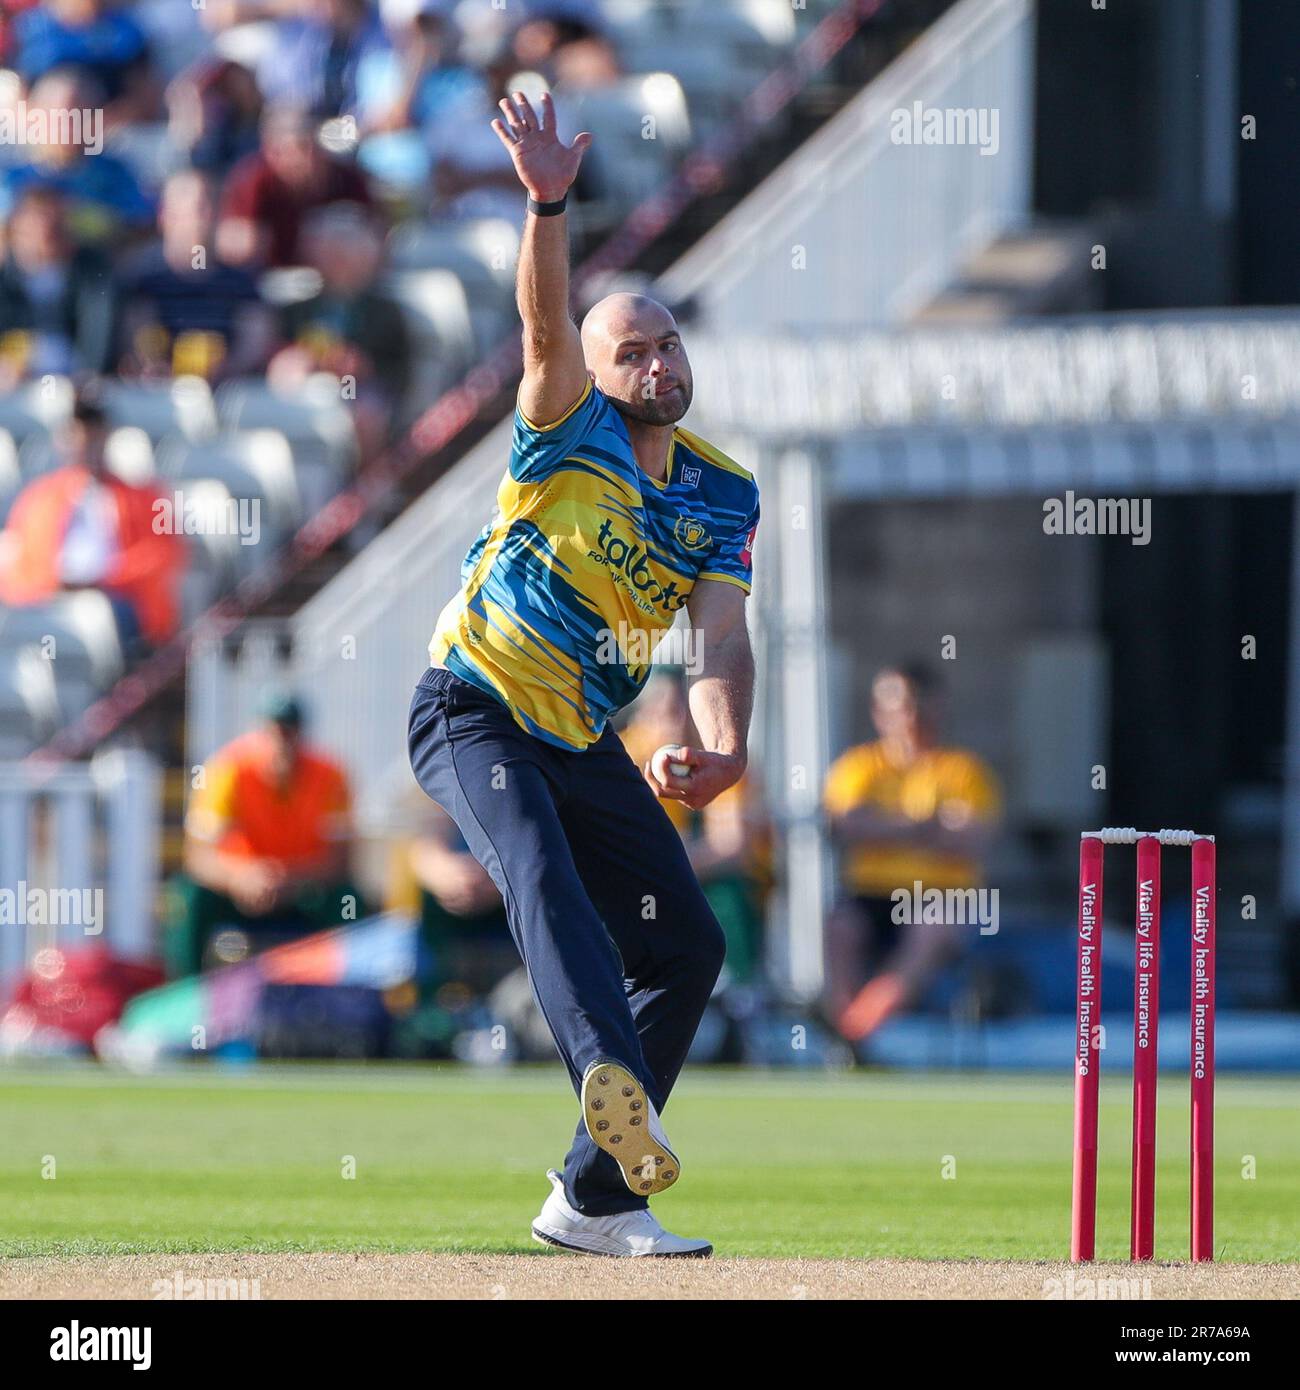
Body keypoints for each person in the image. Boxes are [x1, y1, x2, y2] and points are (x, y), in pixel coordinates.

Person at [407, 92, 759, 1257]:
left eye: (668, 343)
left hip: (577, 736)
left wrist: (720, 745)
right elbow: (546, 323)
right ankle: (608, 1076)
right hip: (473, 704)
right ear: (595, 374)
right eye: (633, 350)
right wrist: (548, 202)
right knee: (542, 876)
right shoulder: (566, 423)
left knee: (688, 945)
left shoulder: (723, 492)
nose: (656, 362)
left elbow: (719, 636)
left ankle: (592, 1196)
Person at [822, 664, 1002, 1046]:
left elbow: (972, 838)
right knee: (840, 928)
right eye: (898, 706)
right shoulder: (859, 766)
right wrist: (928, 826)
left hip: (940, 895)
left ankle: (853, 1031)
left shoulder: (963, 770)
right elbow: (849, 826)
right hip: (870, 894)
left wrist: (887, 829)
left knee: (932, 928)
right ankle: (848, 1025)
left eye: (916, 705)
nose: (908, 717)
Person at [167, 693, 367, 979]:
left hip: (302, 890)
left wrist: (287, 879)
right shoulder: (228, 771)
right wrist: (241, 877)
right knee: (190, 896)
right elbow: (199, 857)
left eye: (288, 731)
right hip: (238, 891)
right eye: (272, 732)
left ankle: (350, 992)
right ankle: (186, 993)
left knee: (349, 900)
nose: (280, 742)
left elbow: (341, 860)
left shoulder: (329, 776)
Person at [0, 384, 184, 650]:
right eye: (77, 430)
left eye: (93, 430)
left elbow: (164, 555)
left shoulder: (146, 498)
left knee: (97, 618)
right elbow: (22, 567)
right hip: (51, 604)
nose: (86, 439)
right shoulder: (39, 498)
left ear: (107, 434)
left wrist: (105, 577)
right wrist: (56, 585)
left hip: (116, 603)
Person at [619, 670, 770, 984]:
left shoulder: (717, 759)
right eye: (665, 711)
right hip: (650, 879)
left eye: (683, 710)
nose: (676, 722)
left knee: (728, 896)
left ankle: (736, 995)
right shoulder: (624, 756)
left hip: (700, 877)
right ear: (644, 714)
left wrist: (667, 864)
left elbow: (733, 848)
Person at [117, 169, 273, 382]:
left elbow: (254, 339)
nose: (207, 216)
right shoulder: (142, 279)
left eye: (213, 206)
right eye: (199, 208)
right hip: (159, 391)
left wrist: (230, 367)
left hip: (229, 391)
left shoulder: (241, 282)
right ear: (166, 216)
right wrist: (159, 366)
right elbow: (136, 336)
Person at [218, 105, 374, 268]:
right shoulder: (253, 180)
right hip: (269, 280)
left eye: (315, 146)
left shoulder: (345, 178)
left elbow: (373, 228)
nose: (310, 157)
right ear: (272, 152)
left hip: (330, 279)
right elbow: (233, 239)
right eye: (301, 147)